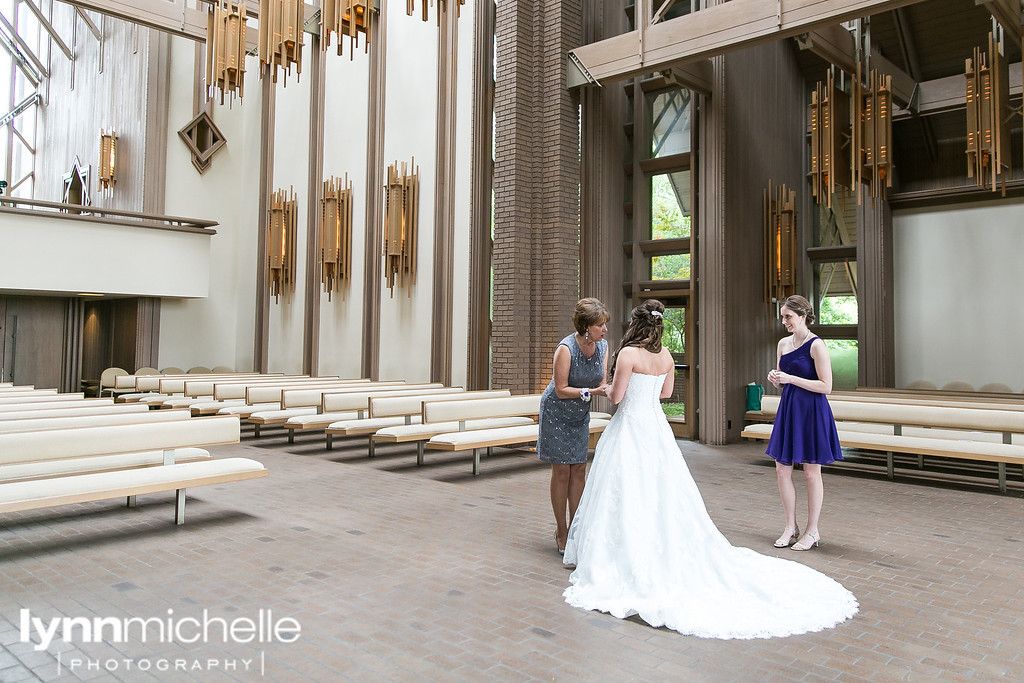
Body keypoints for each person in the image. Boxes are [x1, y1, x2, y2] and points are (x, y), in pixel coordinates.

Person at [563, 299, 857, 639]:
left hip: (629, 429)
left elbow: (615, 398)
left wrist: (608, 385)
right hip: (656, 430)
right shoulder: (667, 356)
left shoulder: (627, 354)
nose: (785, 321)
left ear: (635, 324)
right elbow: (668, 393)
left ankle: (616, 551)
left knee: (625, 488)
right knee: (660, 489)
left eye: (788, 316)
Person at [765, 294, 843, 552]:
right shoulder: (783, 344)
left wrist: (790, 378)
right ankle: (790, 527)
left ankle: (812, 531)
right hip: (789, 409)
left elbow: (827, 386)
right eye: (782, 317)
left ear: (803, 316)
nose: (784, 321)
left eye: (788, 316)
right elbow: (782, 380)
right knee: (781, 470)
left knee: (811, 473)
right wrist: (776, 379)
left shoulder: (816, 345)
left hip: (811, 411)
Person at [537, 297, 611, 556]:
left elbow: (602, 380)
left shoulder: (602, 347)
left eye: (605, 325)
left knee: (579, 468)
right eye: (600, 325)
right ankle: (561, 531)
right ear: (586, 326)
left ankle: (576, 528)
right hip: (557, 412)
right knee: (562, 472)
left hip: (579, 413)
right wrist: (592, 391)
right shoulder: (566, 349)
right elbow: (561, 389)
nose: (604, 329)